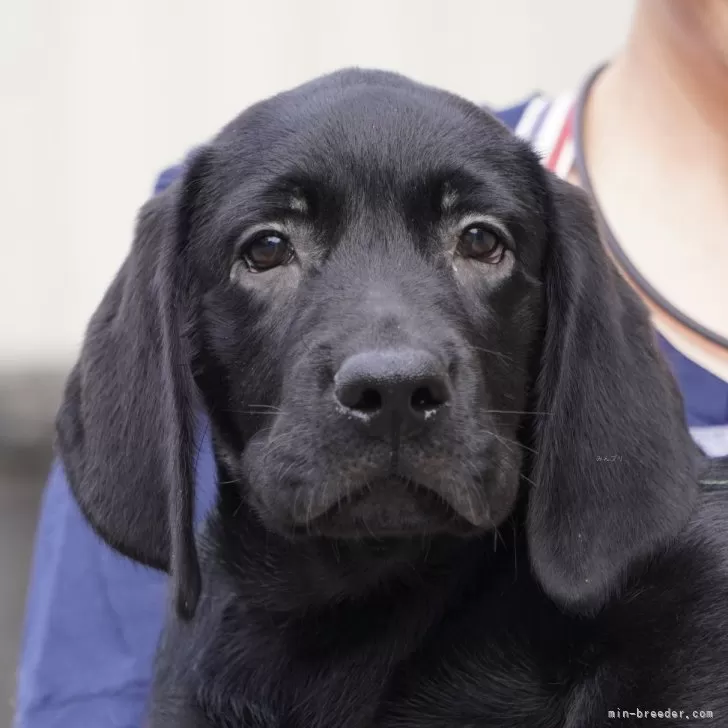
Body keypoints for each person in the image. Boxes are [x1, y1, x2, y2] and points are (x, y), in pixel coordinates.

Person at [13, 1, 728, 725]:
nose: (393, 365)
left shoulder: (672, 636)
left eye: (480, 244)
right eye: (267, 250)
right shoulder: (187, 223)